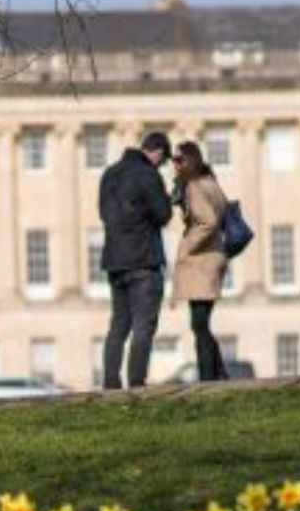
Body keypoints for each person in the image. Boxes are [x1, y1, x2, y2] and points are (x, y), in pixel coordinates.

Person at [99, 130, 174, 388]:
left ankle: (110, 382)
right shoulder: (148, 175)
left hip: (115, 261)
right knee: (144, 325)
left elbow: (104, 214)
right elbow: (163, 215)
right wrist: (166, 198)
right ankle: (137, 382)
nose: (162, 166)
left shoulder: (109, 174)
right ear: (158, 153)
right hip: (143, 261)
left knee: (119, 325)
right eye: (163, 162)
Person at [170, 140, 230, 381]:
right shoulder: (210, 183)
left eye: (179, 160)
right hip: (213, 257)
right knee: (201, 323)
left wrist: (186, 247)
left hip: (201, 261)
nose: (175, 165)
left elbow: (207, 222)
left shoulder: (195, 186)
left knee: (199, 324)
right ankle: (219, 372)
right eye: (173, 160)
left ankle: (208, 377)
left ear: (191, 161)